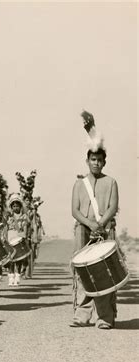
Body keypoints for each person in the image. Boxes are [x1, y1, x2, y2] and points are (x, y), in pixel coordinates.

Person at [70, 111, 119, 329]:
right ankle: (82, 315)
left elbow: (113, 206)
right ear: (87, 161)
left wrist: (101, 224)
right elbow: (75, 210)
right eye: (93, 159)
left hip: (105, 229)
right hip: (83, 229)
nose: (96, 163)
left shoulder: (111, 182)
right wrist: (89, 224)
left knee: (105, 273)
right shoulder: (80, 184)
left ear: (104, 162)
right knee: (83, 271)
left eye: (99, 160)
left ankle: (105, 317)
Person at [6, 194, 30, 286]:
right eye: (14, 206)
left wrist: (24, 236)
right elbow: (6, 227)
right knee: (11, 259)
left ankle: (17, 276)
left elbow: (25, 228)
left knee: (19, 259)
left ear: (20, 206)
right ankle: (11, 277)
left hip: (20, 238)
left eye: (17, 206)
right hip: (10, 238)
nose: (15, 208)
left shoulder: (24, 217)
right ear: (11, 207)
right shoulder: (9, 217)